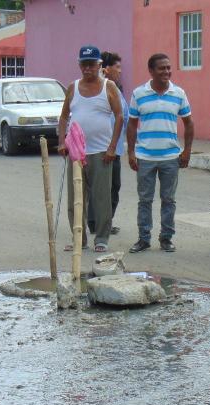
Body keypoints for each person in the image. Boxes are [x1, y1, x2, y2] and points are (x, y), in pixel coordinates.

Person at [57, 45, 124, 253]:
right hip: (76, 153)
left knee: (101, 198)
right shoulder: (73, 87)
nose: (87, 69)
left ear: (99, 65)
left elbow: (120, 116)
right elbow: (64, 116)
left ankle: (101, 239)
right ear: (79, 65)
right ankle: (79, 238)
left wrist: (113, 147)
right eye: (83, 65)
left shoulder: (109, 87)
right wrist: (61, 142)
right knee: (76, 198)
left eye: (91, 65)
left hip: (101, 152)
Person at [127, 53, 194, 253]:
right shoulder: (139, 94)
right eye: (161, 68)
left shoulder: (179, 93)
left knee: (168, 200)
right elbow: (131, 125)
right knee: (145, 200)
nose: (166, 72)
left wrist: (187, 151)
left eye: (168, 68)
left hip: (170, 157)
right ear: (151, 71)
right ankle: (144, 239)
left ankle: (166, 238)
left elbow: (189, 123)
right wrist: (131, 152)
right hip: (145, 157)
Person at [98, 51, 128, 235]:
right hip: (105, 146)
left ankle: (105, 221)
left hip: (115, 147)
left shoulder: (116, 88)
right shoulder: (102, 88)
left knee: (113, 187)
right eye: (117, 67)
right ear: (106, 70)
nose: (120, 71)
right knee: (104, 187)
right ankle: (99, 223)